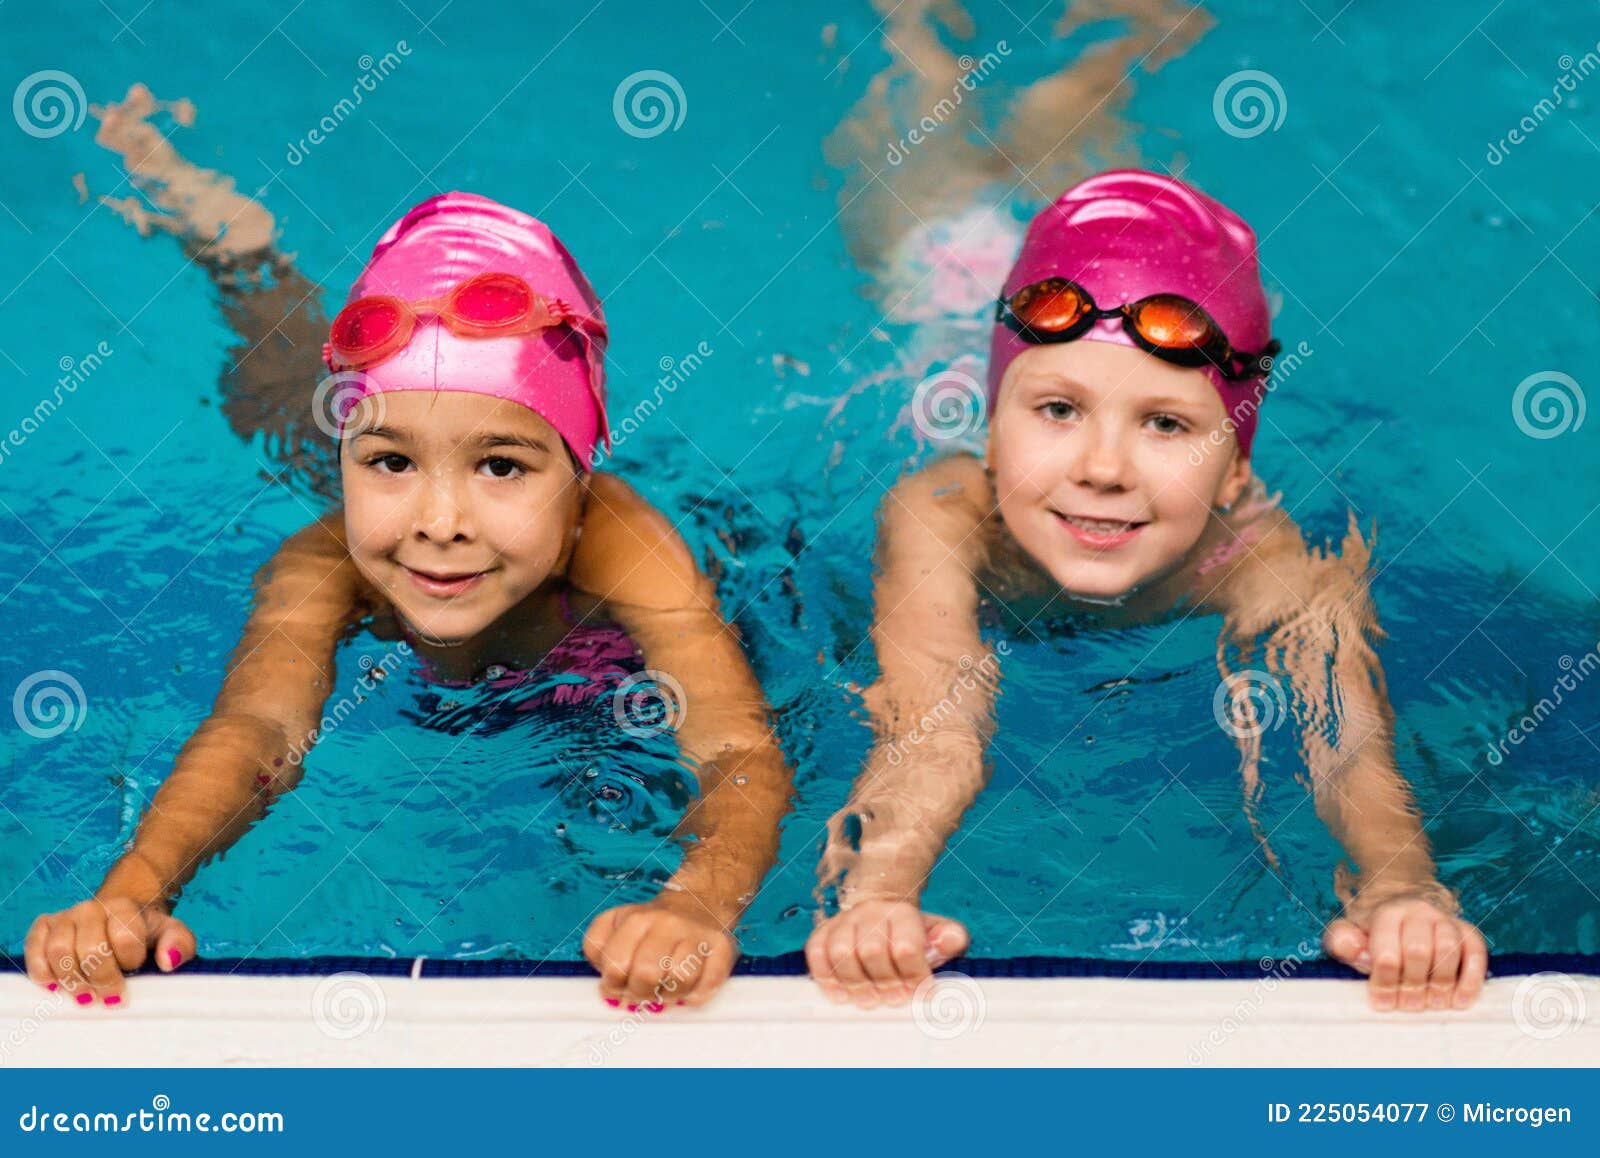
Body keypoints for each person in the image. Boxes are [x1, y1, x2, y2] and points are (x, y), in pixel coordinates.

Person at [25, 191, 793, 1012]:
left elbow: (735, 751)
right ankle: (240, 255)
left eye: (502, 467)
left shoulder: (629, 551)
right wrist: (136, 887)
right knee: (277, 398)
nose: (439, 525)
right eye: (387, 463)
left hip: (678, 575)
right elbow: (261, 728)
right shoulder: (324, 563)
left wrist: (696, 901)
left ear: (578, 482)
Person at [806, 169, 1488, 1014]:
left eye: (1167, 424)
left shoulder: (1262, 561)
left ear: (1237, 467)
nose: (1102, 469)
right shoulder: (942, 515)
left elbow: (1345, 742)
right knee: (922, 197)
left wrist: (1400, 889)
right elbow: (935, 716)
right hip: (937, 293)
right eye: (1056, 409)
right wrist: (878, 893)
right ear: (988, 430)